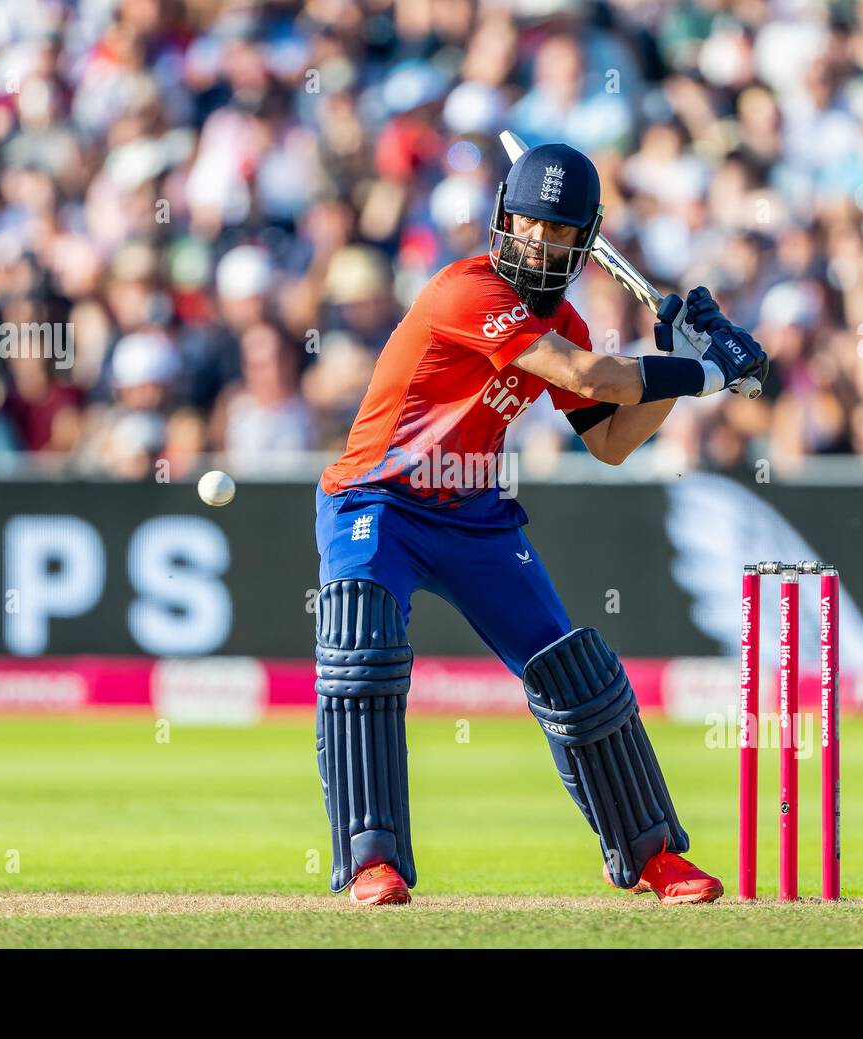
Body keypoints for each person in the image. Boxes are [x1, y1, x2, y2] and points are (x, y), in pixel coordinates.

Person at [313, 142, 768, 906]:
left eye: (562, 232)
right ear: (504, 220)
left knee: (574, 672)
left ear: (584, 241)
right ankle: (371, 861)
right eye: (533, 225)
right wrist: (708, 372)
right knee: (363, 645)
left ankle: (651, 855)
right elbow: (590, 379)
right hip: (377, 500)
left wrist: (673, 365)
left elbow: (613, 439)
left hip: (475, 515)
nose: (544, 243)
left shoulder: (566, 321)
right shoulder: (466, 291)